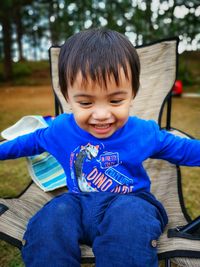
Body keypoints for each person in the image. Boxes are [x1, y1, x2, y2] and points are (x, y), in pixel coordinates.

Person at [0, 28, 200, 267]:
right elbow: (28, 142)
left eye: (116, 101)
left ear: (133, 94)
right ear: (67, 96)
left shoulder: (143, 132)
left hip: (131, 201)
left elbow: (184, 149)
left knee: (130, 221)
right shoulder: (61, 129)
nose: (102, 115)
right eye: (85, 102)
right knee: (50, 219)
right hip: (77, 202)